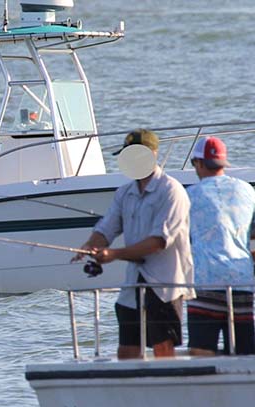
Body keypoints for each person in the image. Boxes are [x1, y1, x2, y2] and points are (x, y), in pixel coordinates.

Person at [72, 129, 194, 360]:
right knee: (126, 351)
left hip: (164, 286)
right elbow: (106, 228)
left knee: (163, 349)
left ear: (152, 155)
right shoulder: (124, 192)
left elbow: (158, 242)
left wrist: (113, 254)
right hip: (132, 286)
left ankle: (166, 389)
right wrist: (90, 245)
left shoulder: (171, 191)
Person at [184, 136, 255, 355]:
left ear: (199, 163)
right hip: (242, 282)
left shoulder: (190, 195)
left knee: (201, 354)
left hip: (206, 282)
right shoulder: (247, 191)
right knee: (246, 355)